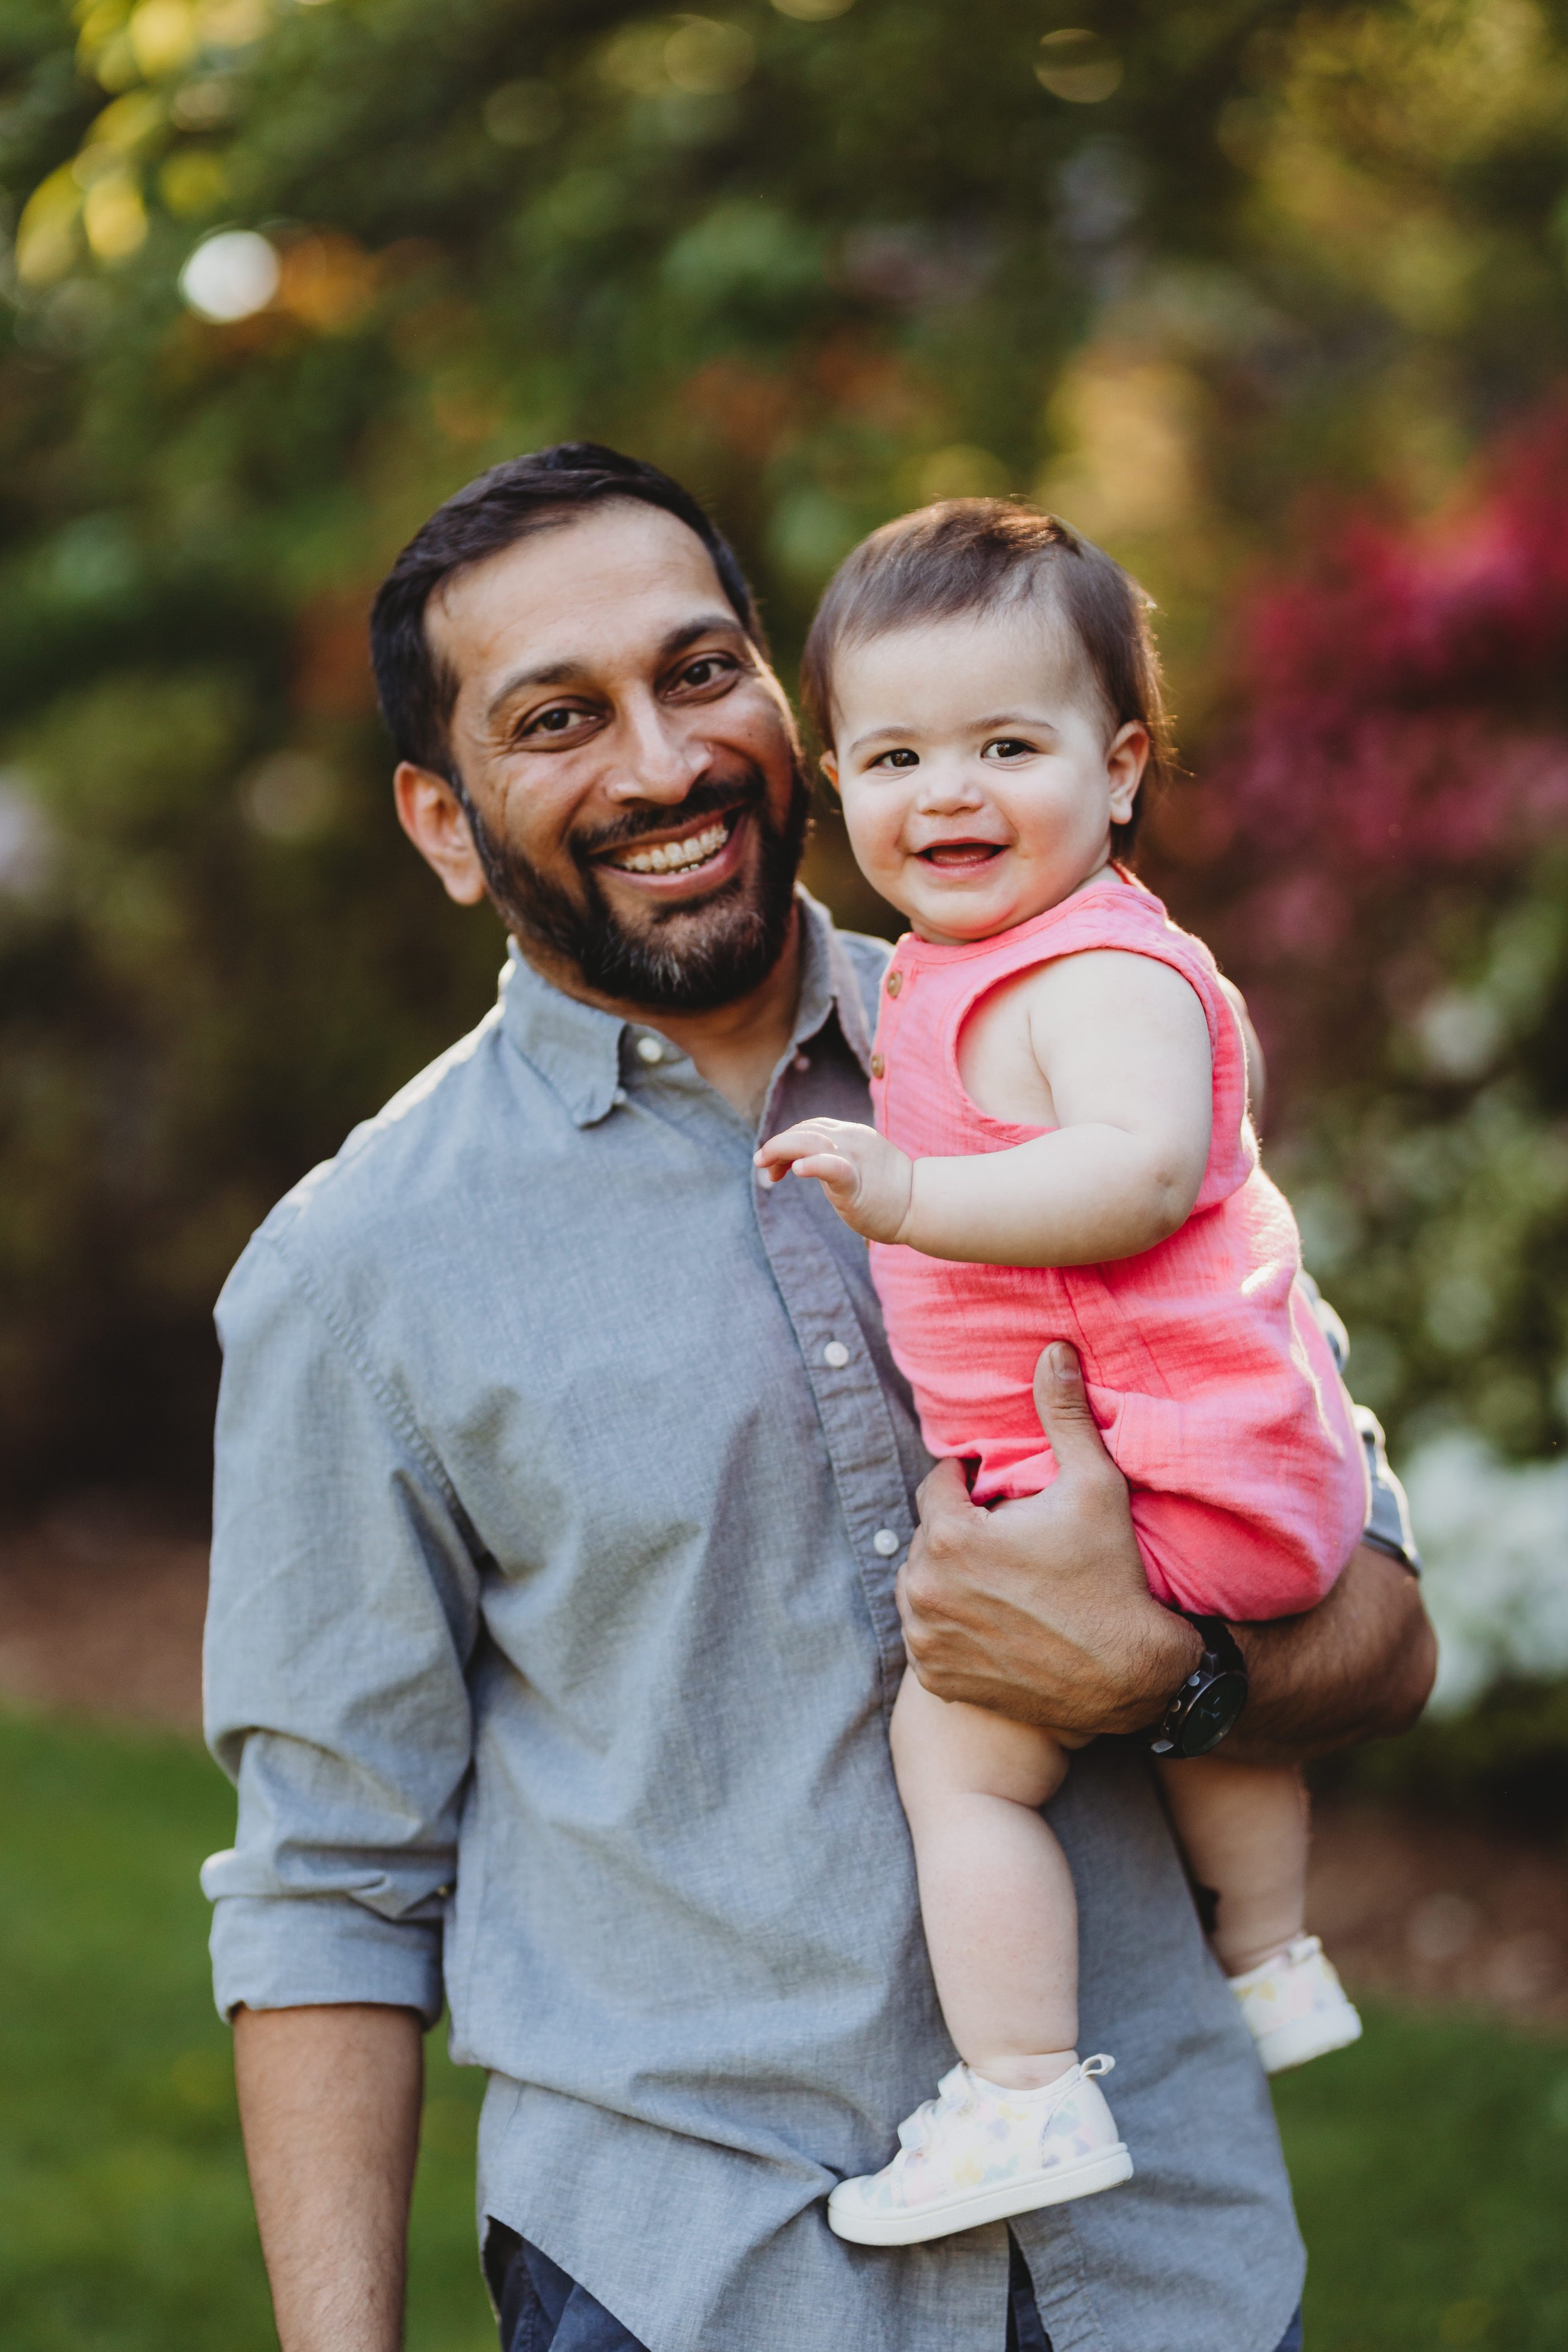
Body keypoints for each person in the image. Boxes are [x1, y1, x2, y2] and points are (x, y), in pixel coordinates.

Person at [201, 443, 1435, 2352]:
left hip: (1162, 2262)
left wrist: (1167, 1674)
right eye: (557, 718)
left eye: (702, 674)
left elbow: (1383, 1623)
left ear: (788, 704)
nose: (663, 760)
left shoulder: (1092, 1048)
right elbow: (327, 1889)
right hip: (695, 2278)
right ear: (445, 825)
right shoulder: (356, 1272)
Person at [757, 501, 1372, 2248]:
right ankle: (1267, 1958)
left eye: (1003, 746)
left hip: (1164, 1471)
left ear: (1117, 771)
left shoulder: (1095, 967)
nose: (944, 792)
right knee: (1207, 1726)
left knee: (955, 1758)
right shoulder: (981, 963)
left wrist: (911, 1193)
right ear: (835, 781)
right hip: (1208, 1469)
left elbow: (1132, 1169)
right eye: (892, 755)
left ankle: (1020, 2092)